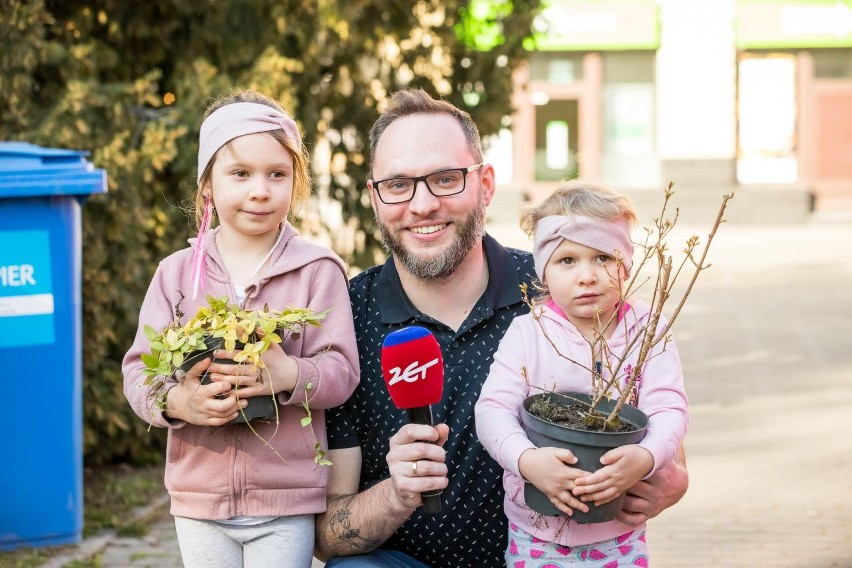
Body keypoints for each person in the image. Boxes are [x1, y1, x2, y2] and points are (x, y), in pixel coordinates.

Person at [316, 89, 688, 567]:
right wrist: (396, 492)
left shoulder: (559, 290)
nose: (423, 203)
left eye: (445, 179)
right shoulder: (348, 316)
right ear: (375, 196)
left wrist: (671, 482)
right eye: (398, 184)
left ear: (485, 185)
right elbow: (326, 538)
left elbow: (663, 424)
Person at [122, 90, 359, 568]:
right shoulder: (176, 274)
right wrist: (177, 402)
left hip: (286, 500)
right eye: (240, 173)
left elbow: (342, 371)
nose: (260, 189)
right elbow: (138, 371)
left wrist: (289, 373)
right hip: (199, 498)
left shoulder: (317, 270)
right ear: (207, 184)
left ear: (296, 182)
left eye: (277, 174)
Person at [475, 183, 689, 566]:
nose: (587, 276)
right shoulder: (528, 332)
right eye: (567, 261)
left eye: (603, 258)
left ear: (625, 265)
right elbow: (492, 411)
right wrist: (527, 461)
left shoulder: (647, 331)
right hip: (535, 530)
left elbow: (669, 408)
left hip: (618, 532)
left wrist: (646, 456)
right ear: (543, 273)